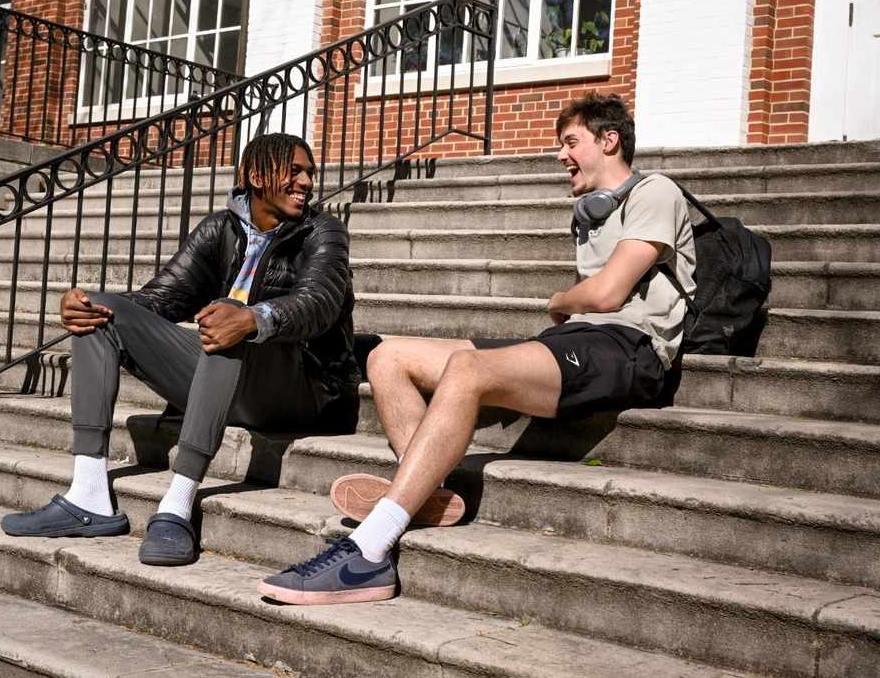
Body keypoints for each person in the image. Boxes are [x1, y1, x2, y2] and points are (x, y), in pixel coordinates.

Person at [258, 92, 695, 604]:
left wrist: (560, 298)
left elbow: (605, 294)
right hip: (575, 342)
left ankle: (367, 555)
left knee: (466, 369)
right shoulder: (590, 214)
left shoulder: (656, 191)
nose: (560, 155)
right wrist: (569, 310)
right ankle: (422, 494)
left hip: (630, 349)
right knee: (385, 356)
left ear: (610, 140)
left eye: (570, 142)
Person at [1, 132, 358, 566]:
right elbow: (159, 300)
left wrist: (252, 317)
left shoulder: (323, 233)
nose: (306, 182)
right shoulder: (218, 230)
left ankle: (176, 503)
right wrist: (83, 306)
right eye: (294, 170)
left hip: (298, 390)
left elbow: (317, 304)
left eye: (309, 174)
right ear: (254, 173)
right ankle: (88, 493)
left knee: (231, 315)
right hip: (225, 382)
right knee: (102, 313)